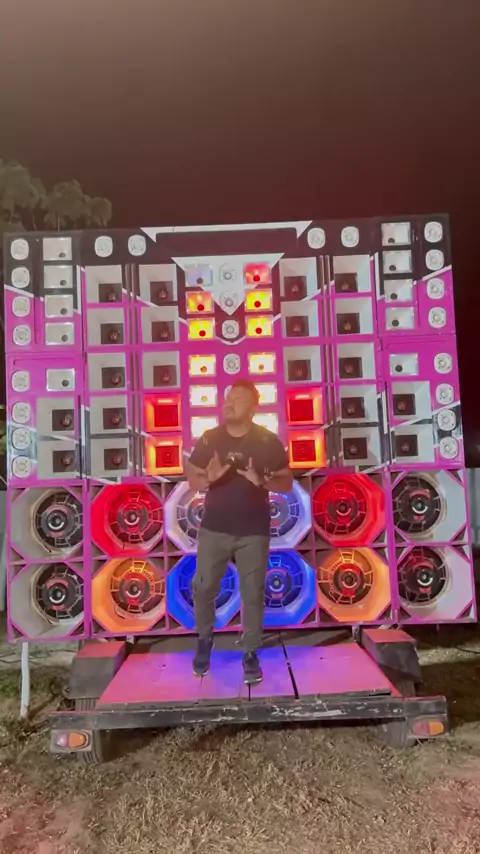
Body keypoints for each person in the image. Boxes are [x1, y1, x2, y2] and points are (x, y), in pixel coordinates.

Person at [186, 378, 293, 684]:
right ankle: (204, 640)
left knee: (253, 593)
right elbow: (192, 477)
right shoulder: (210, 439)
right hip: (214, 529)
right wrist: (209, 478)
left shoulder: (267, 441)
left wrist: (262, 481)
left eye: (238, 400)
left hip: (253, 531)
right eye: (228, 398)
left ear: (254, 407)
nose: (229, 404)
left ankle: (250, 652)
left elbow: (286, 481)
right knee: (203, 587)